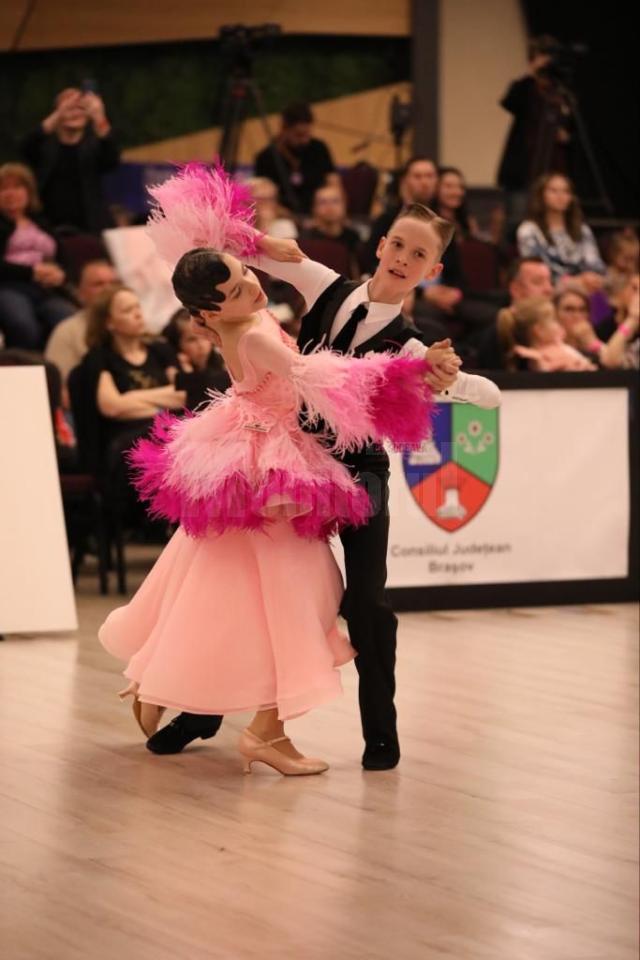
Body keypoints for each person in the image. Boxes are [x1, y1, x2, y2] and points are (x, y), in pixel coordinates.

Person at [142, 164, 501, 768]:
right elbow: (236, 256)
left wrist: (448, 379)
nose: (403, 259)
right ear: (381, 244)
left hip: (358, 474)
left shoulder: (412, 343)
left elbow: (482, 394)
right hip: (288, 463)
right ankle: (203, 711)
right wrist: (256, 243)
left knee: (365, 607)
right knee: (247, 590)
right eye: (398, 244)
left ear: (432, 270)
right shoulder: (325, 284)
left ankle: (380, 735)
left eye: (420, 255)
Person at [99, 254, 445, 776]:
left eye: (245, 274)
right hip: (271, 468)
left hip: (267, 454)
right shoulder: (253, 335)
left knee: (233, 585)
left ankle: (174, 687)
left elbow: (229, 259)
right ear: (209, 315)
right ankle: (260, 730)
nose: (252, 287)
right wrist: (405, 372)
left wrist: (256, 243)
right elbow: (318, 377)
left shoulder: (245, 318)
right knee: (295, 595)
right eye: (237, 290)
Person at [497, 35, 574, 232]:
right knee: (517, 223)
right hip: (522, 171)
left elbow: (571, 124)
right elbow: (509, 102)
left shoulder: (561, 92)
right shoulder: (526, 87)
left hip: (551, 171)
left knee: (549, 225)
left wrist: (565, 134)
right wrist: (532, 72)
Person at [21, 87, 120, 233]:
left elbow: (112, 160)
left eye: (80, 108)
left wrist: (99, 116)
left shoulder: (95, 145)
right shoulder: (44, 146)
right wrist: (59, 114)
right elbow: (25, 147)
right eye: (69, 107)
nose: (75, 112)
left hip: (91, 227)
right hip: (49, 226)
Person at [0, 162, 75, 349]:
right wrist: (31, 272)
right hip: (9, 287)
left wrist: (60, 274)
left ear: (28, 191)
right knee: (23, 325)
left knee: (69, 323)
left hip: (46, 290)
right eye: (3, 188)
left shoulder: (41, 222)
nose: (11, 193)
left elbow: (63, 257)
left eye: (17, 187)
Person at [517, 173, 605, 288]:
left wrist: (592, 277)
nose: (560, 196)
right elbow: (535, 271)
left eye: (566, 191)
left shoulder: (583, 230)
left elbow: (595, 265)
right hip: (547, 290)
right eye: (553, 191)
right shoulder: (529, 230)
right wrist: (572, 281)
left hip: (585, 289)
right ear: (541, 195)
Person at [254, 102, 337, 215]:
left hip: (319, 214)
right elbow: (261, 197)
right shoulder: (266, 157)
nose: (304, 140)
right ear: (284, 130)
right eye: (299, 135)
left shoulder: (319, 149)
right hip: (282, 216)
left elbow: (333, 182)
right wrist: (288, 215)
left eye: (307, 134)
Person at [473, 258, 554, 370]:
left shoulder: (560, 326)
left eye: (550, 281)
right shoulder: (498, 334)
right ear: (515, 289)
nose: (549, 289)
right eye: (538, 282)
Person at [44, 259, 118, 381]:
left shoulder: (139, 325)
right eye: (99, 284)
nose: (109, 289)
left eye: (114, 283)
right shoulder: (67, 331)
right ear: (80, 293)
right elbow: (59, 386)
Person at [497, 296, 596, 371]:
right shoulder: (536, 357)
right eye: (554, 320)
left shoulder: (561, 346)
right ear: (539, 330)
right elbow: (545, 371)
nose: (558, 324)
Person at [161, 307, 231, 409]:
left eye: (204, 337)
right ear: (177, 344)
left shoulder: (223, 361)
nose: (201, 345)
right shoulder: (172, 370)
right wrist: (187, 373)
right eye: (191, 340)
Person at [301, 183, 361, 278]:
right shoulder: (306, 239)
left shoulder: (353, 237)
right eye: (323, 202)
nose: (330, 207)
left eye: (335, 201)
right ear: (314, 208)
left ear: (345, 205)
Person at [435, 166, 482, 240]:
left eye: (460, 187)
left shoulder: (468, 221)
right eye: (449, 186)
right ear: (436, 188)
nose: (457, 192)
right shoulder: (429, 222)